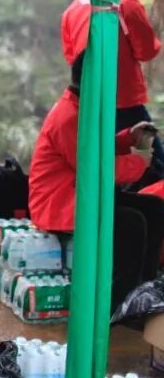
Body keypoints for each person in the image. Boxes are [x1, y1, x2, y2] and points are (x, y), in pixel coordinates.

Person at [29, 52, 162, 312]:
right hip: (59, 204)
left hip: (81, 194)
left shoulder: (80, 108)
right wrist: (139, 161)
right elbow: (96, 169)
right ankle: (117, 304)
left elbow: (96, 149)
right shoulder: (69, 117)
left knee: (154, 207)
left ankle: (143, 289)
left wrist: (128, 138)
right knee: (132, 222)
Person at [61, 0, 163, 183]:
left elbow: (73, 58)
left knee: (103, 159)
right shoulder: (126, 4)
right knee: (155, 169)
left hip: (88, 105)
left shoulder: (71, 11)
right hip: (124, 102)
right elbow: (147, 51)